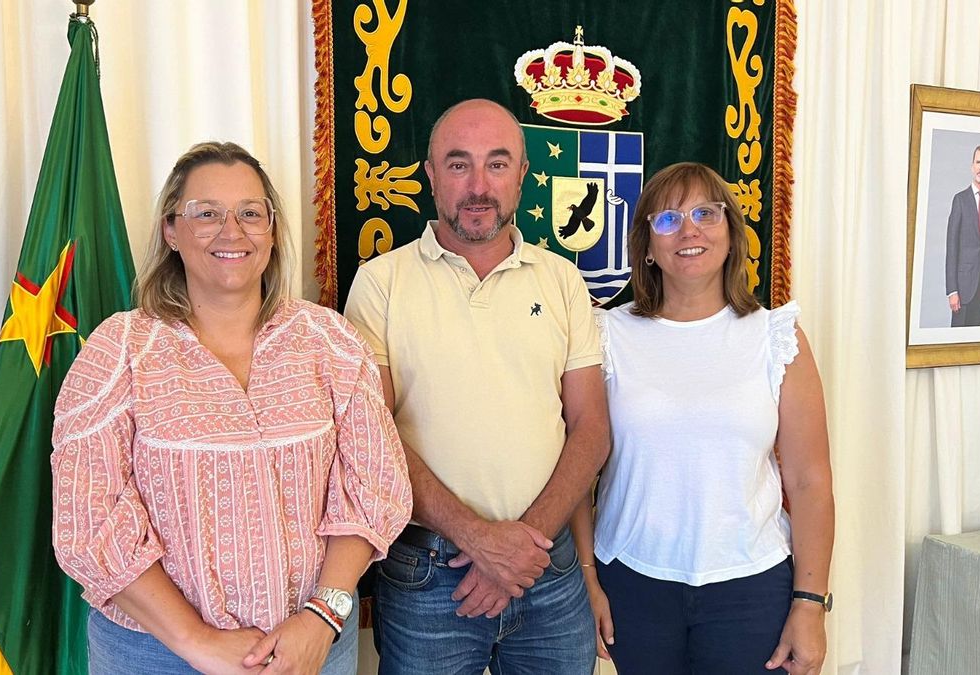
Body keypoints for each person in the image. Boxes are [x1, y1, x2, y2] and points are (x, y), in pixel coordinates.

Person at [51, 141, 412, 675]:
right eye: (207, 214)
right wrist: (197, 642)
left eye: (250, 213)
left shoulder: (329, 341)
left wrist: (322, 615)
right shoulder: (121, 350)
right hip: (158, 654)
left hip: (313, 646)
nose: (232, 231)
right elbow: (89, 522)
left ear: (271, 229)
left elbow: (375, 487)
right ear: (171, 230)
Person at [344, 98, 610, 674]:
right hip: (427, 575)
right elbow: (371, 437)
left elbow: (591, 430)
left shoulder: (563, 279)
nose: (479, 185)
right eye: (459, 163)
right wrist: (477, 540)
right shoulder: (380, 283)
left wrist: (520, 548)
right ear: (431, 175)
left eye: (497, 163)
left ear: (521, 174)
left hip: (549, 569)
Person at [578, 162, 836, 675]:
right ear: (647, 245)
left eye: (705, 213)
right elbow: (576, 468)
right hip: (632, 582)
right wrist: (586, 577)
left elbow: (810, 482)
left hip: (751, 589)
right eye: (668, 219)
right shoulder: (604, 335)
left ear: (731, 233)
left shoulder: (777, 337)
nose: (689, 229)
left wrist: (810, 603)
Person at [945, 145, 980, 327]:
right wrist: (952, 290)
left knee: (975, 346)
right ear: (972, 166)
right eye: (978, 162)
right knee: (957, 346)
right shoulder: (959, 200)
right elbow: (951, 248)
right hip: (962, 288)